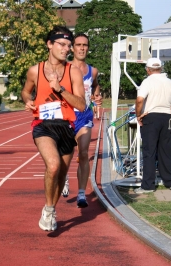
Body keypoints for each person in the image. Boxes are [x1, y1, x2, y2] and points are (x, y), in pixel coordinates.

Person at [21, 26, 86, 232]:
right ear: (50, 44)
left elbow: (82, 105)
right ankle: (49, 210)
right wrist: (28, 101)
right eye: (62, 44)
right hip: (43, 125)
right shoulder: (35, 70)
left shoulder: (73, 71)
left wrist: (61, 89)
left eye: (69, 45)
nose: (66, 49)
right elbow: (25, 91)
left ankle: (52, 206)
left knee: (60, 176)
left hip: (66, 127)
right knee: (53, 165)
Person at [60, 33, 102, 208]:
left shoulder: (92, 70)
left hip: (84, 116)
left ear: (88, 48)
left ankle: (82, 194)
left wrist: (97, 96)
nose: (82, 48)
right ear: (72, 48)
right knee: (64, 156)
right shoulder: (64, 68)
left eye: (85, 45)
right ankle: (65, 178)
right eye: (78, 45)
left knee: (83, 153)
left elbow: (95, 85)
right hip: (67, 116)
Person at [134, 58, 171, 194]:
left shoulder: (147, 82)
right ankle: (170, 181)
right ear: (161, 68)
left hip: (150, 117)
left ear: (148, 69)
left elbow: (140, 99)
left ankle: (148, 185)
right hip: (166, 117)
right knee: (166, 151)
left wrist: (138, 115)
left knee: (149, 151)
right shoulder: (170, 83)